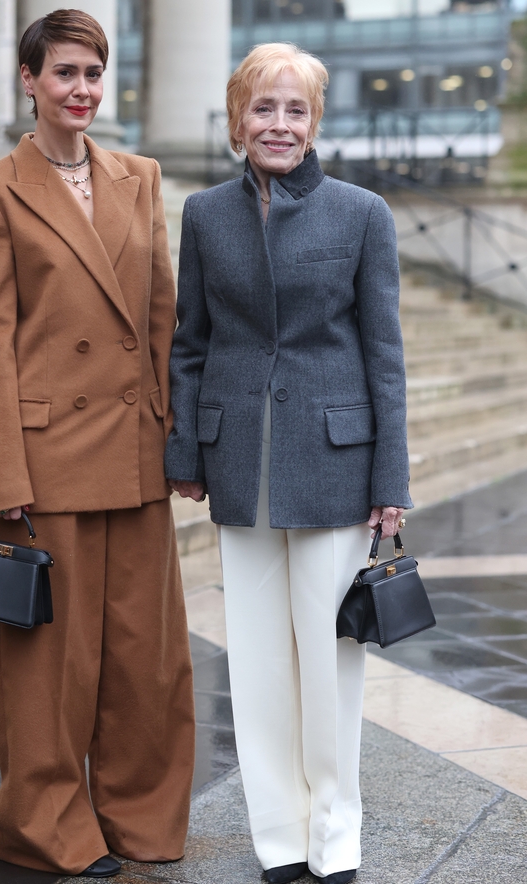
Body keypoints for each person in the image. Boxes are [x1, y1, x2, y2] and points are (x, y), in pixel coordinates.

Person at [165, 42, 411, 884]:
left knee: (327, 663)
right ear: (238, 120)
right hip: (240, 464)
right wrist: (186, 450)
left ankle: (334, 834)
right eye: (262, 108)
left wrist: (391, 485)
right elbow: (189, 344)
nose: (278, 124)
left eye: (294, 109)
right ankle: (279, 837)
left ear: (314, 122)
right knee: (260, 665)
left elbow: (386, 358)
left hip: (336, 467)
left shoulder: (362, 213)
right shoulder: (203, 215)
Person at [0, 9, 196, 880]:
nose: (82, 91)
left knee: (146, 655)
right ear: (30, 80)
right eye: (64, 73)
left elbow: (163, 316)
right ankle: (45, 826)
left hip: (135, 446)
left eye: (93, 74)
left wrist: (183, 445)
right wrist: (2, 473)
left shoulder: (139, 176)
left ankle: (139, 816)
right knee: (49, 664)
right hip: (48, 456)